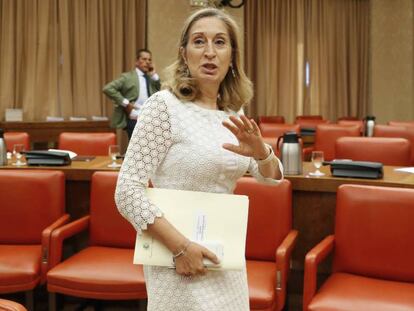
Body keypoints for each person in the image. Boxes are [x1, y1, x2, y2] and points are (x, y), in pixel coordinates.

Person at [115, 7, 283, 311]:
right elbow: (127, 192)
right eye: (198, 42)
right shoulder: (163, 107)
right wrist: (181, 249)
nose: (209, 52)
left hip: (225, 260)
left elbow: (271, 178)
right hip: (176, 259)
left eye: (220, 42)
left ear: (232, 56)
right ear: (184, 53)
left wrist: (261, 152)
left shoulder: (235, 113)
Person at [103, 49, 161, 139]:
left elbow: (159, 90)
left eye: (149, 60)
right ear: (137, 61)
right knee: (135, 147)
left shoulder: (150, 78)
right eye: (144, 59)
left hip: (150, 118)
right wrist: (126, 103)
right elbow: (108, 88)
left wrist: (153, 74)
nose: (147, 62)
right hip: (134, 117)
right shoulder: (127, 77)